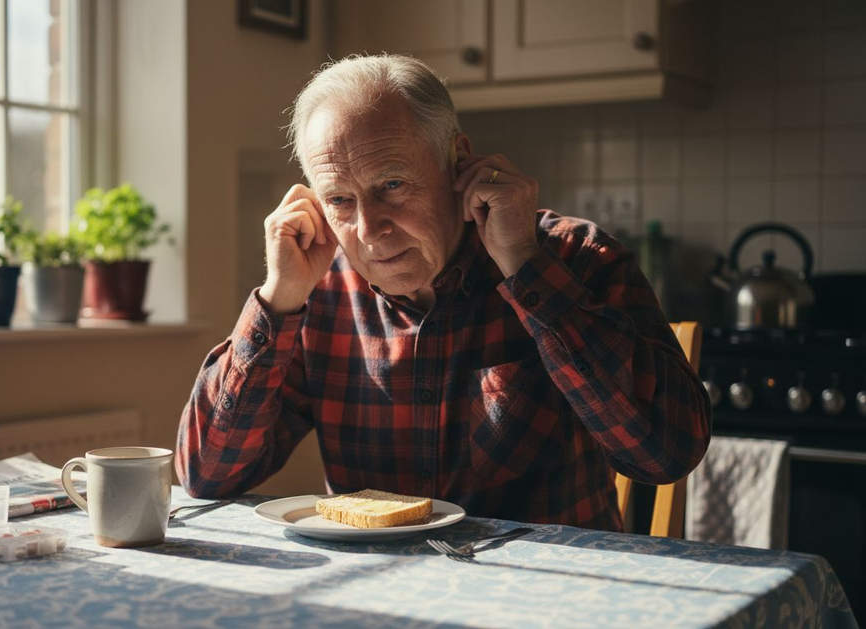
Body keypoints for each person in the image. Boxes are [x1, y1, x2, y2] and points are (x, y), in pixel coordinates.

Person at [175, 54, 710, 531]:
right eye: (339, 198)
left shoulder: (573, 258)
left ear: (459, 159)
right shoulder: (317, 293)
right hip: (374, 595)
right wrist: (277, 299)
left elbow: (666, 454)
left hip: (549, 599)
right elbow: (206, 476)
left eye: (391, 185)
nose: (369, 229)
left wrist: (525, 269)